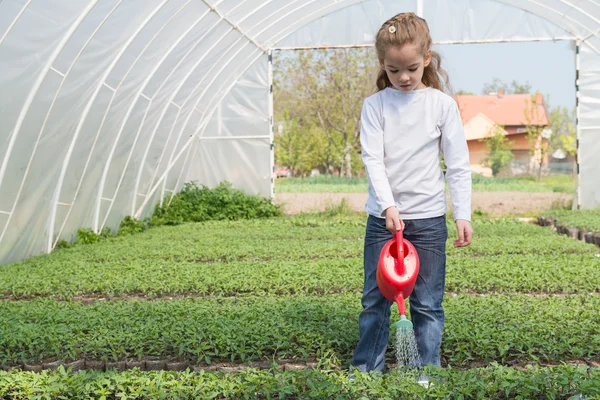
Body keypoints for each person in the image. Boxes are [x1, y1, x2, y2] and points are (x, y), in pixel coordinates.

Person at [351, 12, 474, 376]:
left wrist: (462, 213)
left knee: (427, 304)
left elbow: (458, 163)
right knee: (375, 299)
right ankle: (366, 372)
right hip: (382, 221)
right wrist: (388, 206)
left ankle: (426, 374)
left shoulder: (441, 104)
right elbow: (373, 158)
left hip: (429, 221)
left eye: (411, 69)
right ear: (383, 66)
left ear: (427, 58)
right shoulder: (375, 106)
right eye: (393, 70)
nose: (403, 77)